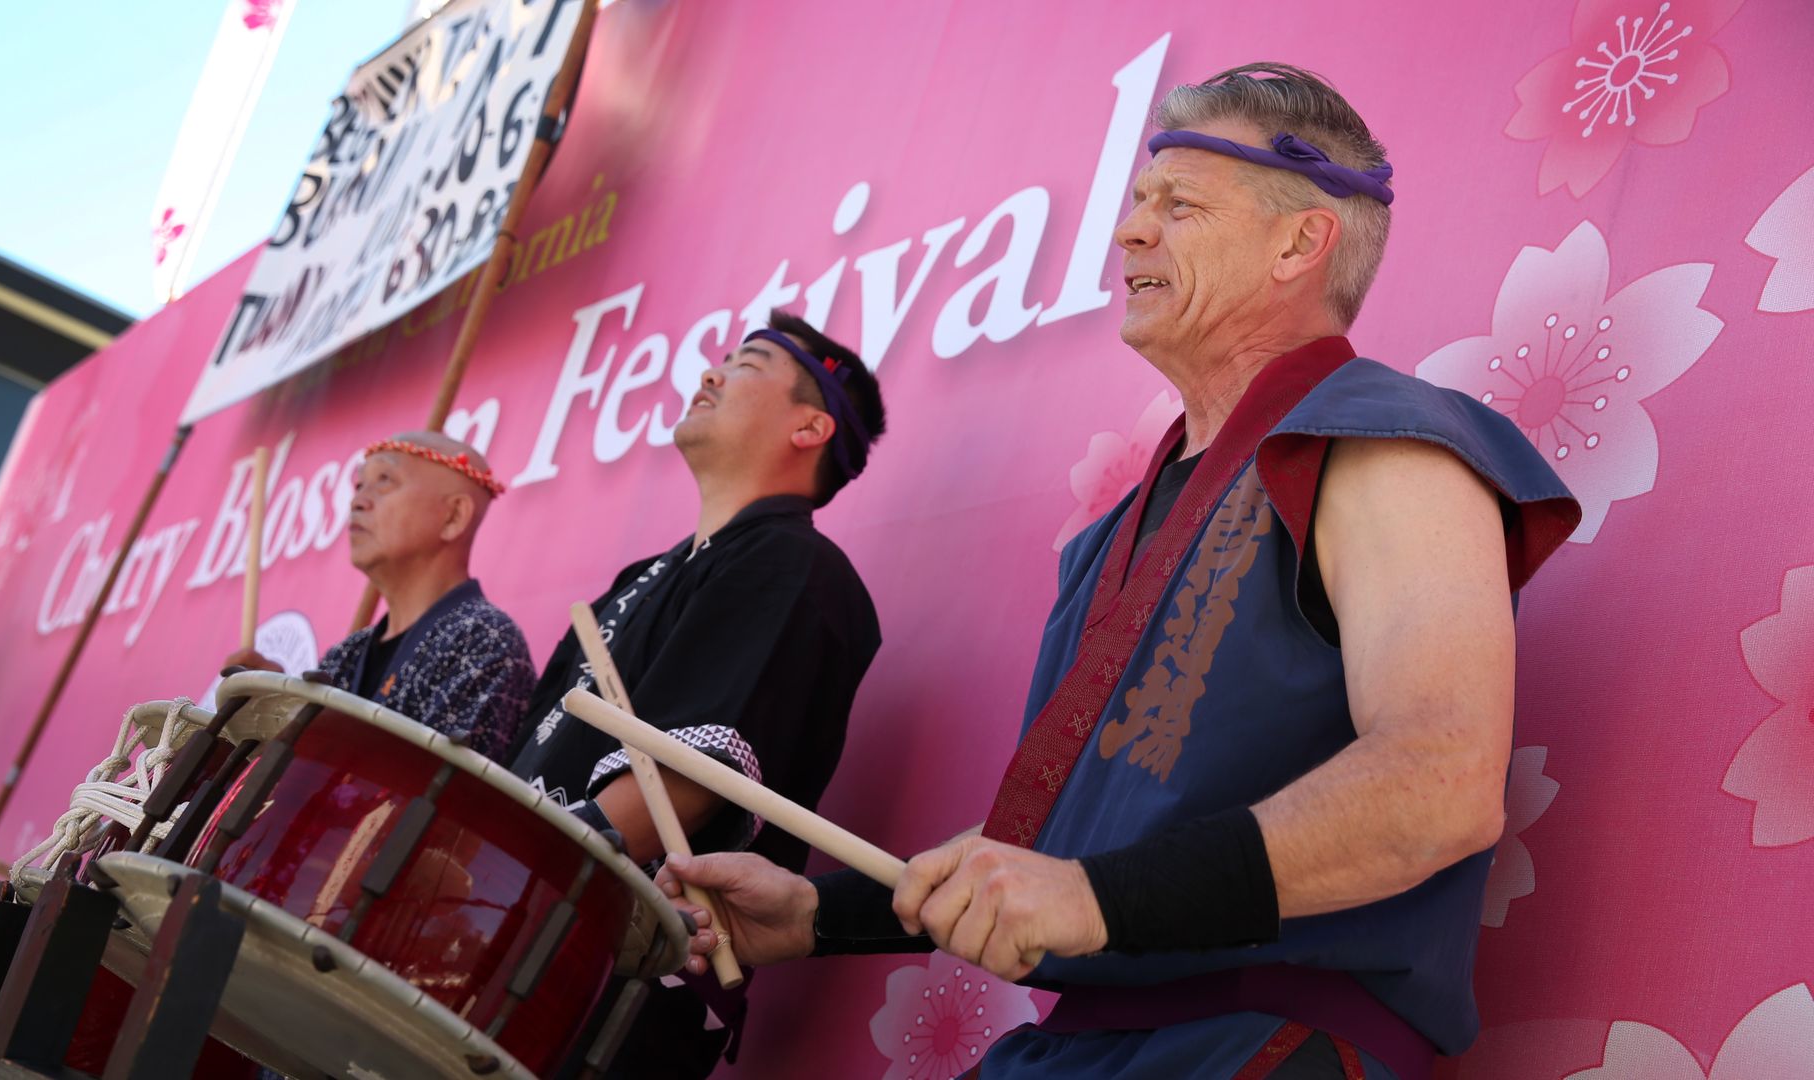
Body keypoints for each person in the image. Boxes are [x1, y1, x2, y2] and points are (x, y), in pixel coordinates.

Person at [657, 64, 1582, 1080]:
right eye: (1138, 205)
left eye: (1178, 206)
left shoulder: (1389, 439)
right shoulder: (1111, 536)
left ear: (1299, 243)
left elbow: (1441, 783)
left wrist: (1095, 901)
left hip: (1258, 1044)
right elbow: (1078, 848)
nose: (1130, 234)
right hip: (1080, 1046)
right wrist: (818, 915)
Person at [508, 310, 887, 1078]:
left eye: (745, 365)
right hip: (514, 930)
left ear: (810, 427)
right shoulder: (637, 581)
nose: (709, 374)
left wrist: (503, 882)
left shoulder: (794, 565)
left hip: (597, 974)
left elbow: (670, 795)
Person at [224, 431, 535, 763]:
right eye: (358, 486)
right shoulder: (347, 653)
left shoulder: (486, 641)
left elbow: (432, 790)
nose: (357, 501)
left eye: (384, 481)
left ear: (454, 516)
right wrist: (277, 703)